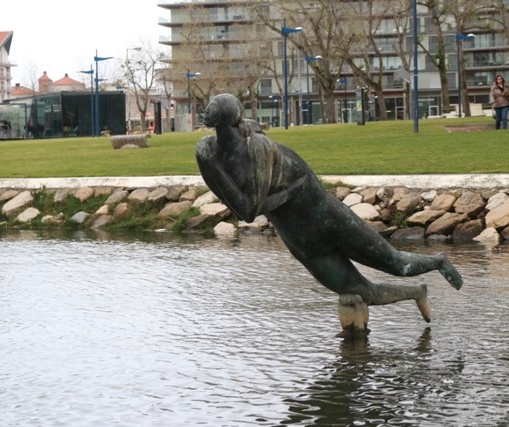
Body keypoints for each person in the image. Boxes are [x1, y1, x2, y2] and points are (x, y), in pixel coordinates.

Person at [196, 94, 463, 323]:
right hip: (299, 238)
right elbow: (244, 211)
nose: (206, 110)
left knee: (397, 263)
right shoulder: (208, 151)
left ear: (226, 116)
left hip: (328, 218)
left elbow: (248, 209)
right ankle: (417, 292)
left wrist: (287, 191)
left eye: (212, 106)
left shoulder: (258, 146)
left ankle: (438, 262)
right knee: (362, 293)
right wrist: (212, 165)